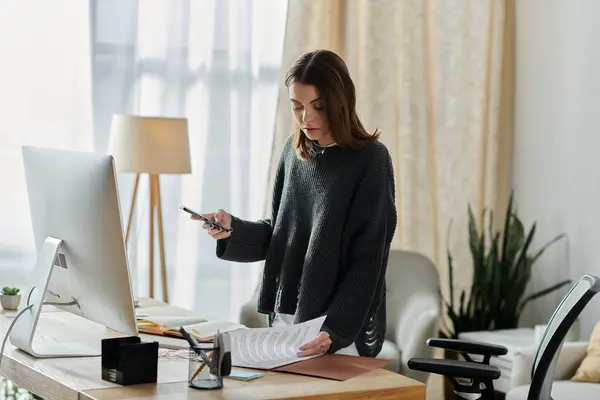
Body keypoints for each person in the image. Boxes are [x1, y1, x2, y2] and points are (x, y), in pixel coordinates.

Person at [194, 49, 397, 358]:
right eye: (297, 107)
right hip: (289, 318)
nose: (306, 117)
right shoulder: (294, 153)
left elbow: (368, 260)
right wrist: (233, 230)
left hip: (338, 327)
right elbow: (280, 234)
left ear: (340, 101)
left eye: (318, 106)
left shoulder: (371, 160)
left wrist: (334, 330)